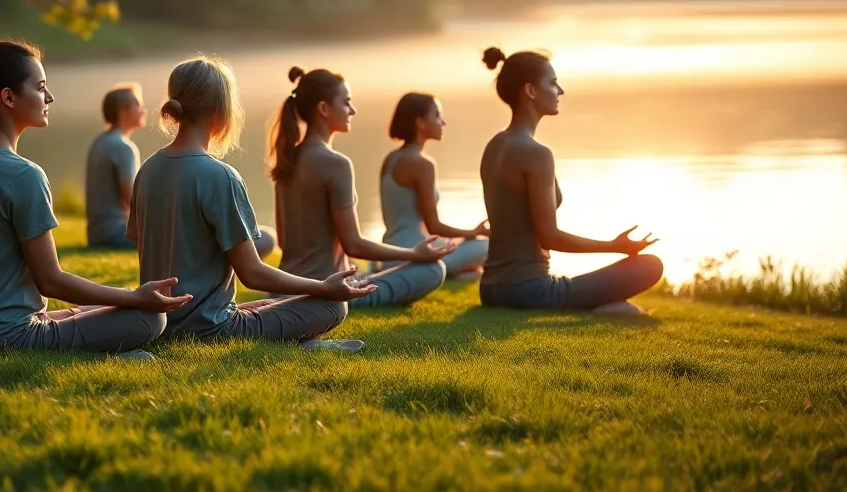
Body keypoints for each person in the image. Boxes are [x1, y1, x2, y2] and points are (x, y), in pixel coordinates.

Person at [0, 36, 189, 357]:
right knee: (149, 317)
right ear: (9, 97)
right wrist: (135, 297)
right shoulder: (24, 175)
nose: (49, 97)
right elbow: (51, 281)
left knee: (103, 308)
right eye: (40, 87)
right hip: (7, 337)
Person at [130, 56, 375, 349]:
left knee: (268, 305)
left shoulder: (148, 169)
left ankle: (305, 343)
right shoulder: (221, 177)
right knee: (332, 305)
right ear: (221, 108)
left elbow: (144, 240)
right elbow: (253, 274)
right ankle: (305, 342)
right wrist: (323, 286)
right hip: (210, 329)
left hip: (158, 323)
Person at [477, 47, 663, 315]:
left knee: (623, 305)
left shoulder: (494, 146)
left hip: (491, 288)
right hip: (528, 291)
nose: (560, 91)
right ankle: (603, 311)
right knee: (650, 265)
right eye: (553, 83)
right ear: (530, 91)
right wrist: (614, 246)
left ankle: (606, 309)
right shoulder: (536, 153)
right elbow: (550, 237)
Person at [270, 67, 457, 309]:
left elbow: (283, 241)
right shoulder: (336, 163)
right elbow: (354, 244)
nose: (352, 110)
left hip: (284, 290)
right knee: (432, 269)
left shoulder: (287, 160)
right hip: (327, 293)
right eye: (346, 102)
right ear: (324, 109)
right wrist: (414, 253)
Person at [377, 92, 490, 279]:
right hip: (414, 254)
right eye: (437, 116)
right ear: (420, 122)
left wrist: (464, 236)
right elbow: (434, 226)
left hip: (389, 253)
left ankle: (457, 272)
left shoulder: (391, 159)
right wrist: (473, 232)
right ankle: (452, 271)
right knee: (489, 245)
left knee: (464, 246)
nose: (442, 122)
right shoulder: (422, 164)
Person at [84, 83, 146, 249]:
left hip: (96, 234)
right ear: (123, 112)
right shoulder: (124, 148)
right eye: (138, 105)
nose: (143, 110)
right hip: (116, 233)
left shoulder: (99, 142)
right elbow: (132, 200)